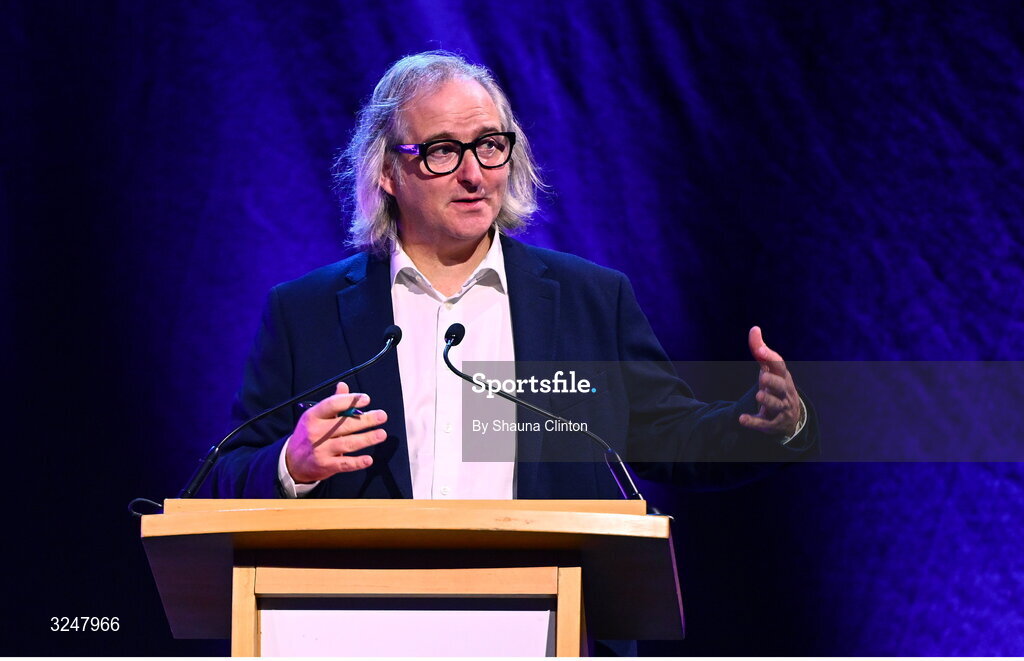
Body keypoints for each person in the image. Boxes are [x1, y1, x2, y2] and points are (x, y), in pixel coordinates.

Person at [210, 51, 814, 501]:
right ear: (389, 171)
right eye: (443, 150)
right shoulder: (306, 312)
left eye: (490, 145)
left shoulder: (591, 300)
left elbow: (668, 437)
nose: (475, 175)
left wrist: (764, 427)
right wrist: (292, 463)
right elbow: (222, 477)